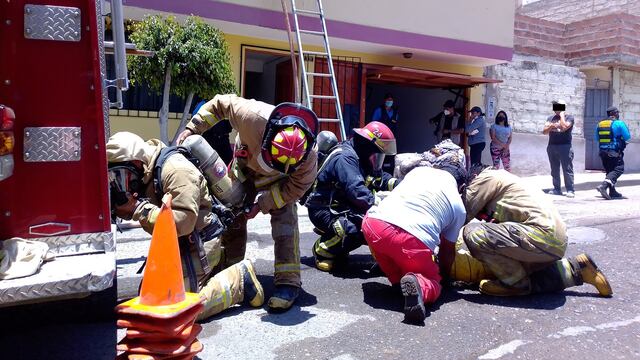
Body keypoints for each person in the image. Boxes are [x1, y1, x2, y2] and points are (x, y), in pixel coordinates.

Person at [176, 94, 319, 312]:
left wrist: (264, 203)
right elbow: (220, 104)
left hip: (279, 182)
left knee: (285, 223)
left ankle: (288, 282)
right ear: (268, 135)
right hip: (244, 169)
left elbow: (297, 188)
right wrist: (193, 129)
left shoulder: (309, 156)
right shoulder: (253, 116)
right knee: (232, 216)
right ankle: (233, 271)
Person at [107, 132, 264, 321]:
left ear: (137, 163)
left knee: (177, 310)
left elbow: (183, 222)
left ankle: (239, 279)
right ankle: (218, 269)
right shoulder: (147, 173)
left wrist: (140, 209)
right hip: (180, 243)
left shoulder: (176, 170)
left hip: (199, 240)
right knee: (149, 297)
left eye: (121, 175)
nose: (122, 184)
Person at [461, 165, 612, 297]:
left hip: (537, 236)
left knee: (475, 234)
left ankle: (516, 284)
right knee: (518, 271)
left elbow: (460, 216)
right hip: (553, 242)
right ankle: (577, 269)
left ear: (473, 177)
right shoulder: (507, 181)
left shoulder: (485, 177)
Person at [362, 153, 467, 324]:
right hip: (409, 241)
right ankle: (420, 285)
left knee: (394, 255)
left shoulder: (418, 172)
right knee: (433, 281)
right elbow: (447, 253)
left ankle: (398, 282)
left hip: (373, 226)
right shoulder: (458, 206)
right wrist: (444, 278)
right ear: (462, 187)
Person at [304, 123, 399, 272]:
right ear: (368, 144)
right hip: (324, 209)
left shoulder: (363, 156)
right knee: (359, 229)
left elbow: (379, 178)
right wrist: (380, 206)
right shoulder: (345, 158)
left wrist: (401, 185)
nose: (378, 158)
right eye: (377, 152)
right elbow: (357, 192)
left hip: (343, 206)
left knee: (369, 226)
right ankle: (323, 251)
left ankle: (339, 246)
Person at [595, 106, 631, 200]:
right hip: (614, 152)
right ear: (614, 113)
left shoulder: (600, 124)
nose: (618, 114)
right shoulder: (619, 123)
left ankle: (612, 192)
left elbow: (597, 138)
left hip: (602, 152)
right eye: (617, 112)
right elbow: (627, 136)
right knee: (618, 169)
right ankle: (603, 186)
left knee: (610, 172)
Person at [543, 100, 575, 198]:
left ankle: (570, 190)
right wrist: (552, 126)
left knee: (567, 169)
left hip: (565, 146)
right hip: (552, 146)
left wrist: (561, 115)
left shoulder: (569, 117)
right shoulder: (550, 118)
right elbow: (544, 131)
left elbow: (564, 127)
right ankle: (557, 189)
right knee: (554, 169)